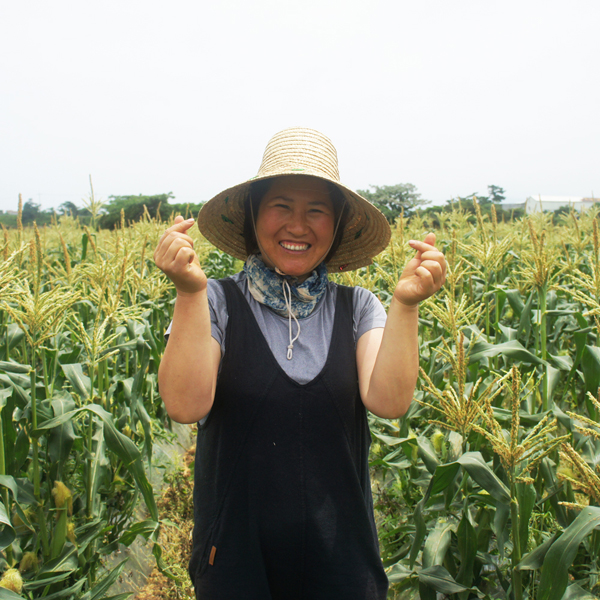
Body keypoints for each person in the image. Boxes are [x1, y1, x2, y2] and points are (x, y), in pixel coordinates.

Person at [153, 127, 446, 599]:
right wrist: (189, 293)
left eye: (316, 211)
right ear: (252, 216)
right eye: (281, 206)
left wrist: (406, 305)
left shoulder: (359, 308)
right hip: (236, 561)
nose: (298, 225)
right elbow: (185, 405)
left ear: (337, 226)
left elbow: (389, 401)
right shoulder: (218, 302)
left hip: (340, 560)